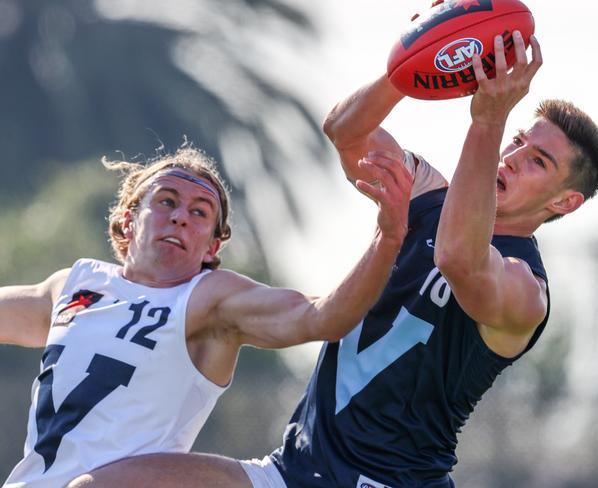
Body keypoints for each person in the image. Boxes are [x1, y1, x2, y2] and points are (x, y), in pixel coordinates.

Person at [67, 30, 598, 488]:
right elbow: (345, 130)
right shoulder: (426, 197)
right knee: (101, 484)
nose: (512, 160)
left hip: (388, 483)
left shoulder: (525, 290)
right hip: (292, 470)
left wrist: (488, 122)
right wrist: (408, 64)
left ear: (564, 202)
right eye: (517, 141)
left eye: (536, 161)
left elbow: (459, 260)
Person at [0, 142, 413, 488]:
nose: (181, 215)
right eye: (166, 201)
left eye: (200, 212)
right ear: (127, 221)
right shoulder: (73, 285)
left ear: (212, 248)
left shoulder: (208, 300)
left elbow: (322, 317)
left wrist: (389, 237)